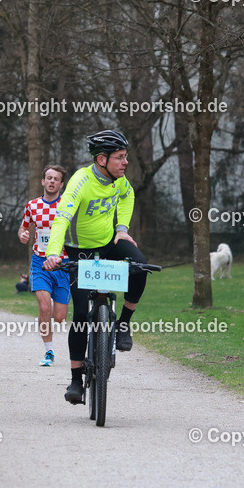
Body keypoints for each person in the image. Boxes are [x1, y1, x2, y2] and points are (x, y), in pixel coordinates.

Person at [43, 130, 149, 404]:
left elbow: (129, 196)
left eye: (126, 157)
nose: (125, 163)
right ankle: (76, 380)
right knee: (80, 315)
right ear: (102, 159)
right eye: (120, 158)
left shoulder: (119, 180)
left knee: (140, 266)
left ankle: (123, 324)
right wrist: (54, 253)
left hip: (108, 243)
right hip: (80, 252)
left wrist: (122, 229)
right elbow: (61, 219)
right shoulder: (80, 181)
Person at [19, 164, 71, 366]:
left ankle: (53, 329)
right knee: (44, 307)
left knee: (59, 317)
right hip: (40, 263)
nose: (51, 181)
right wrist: (23, 235)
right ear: (42, 181)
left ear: (61, 184)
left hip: (62, 264)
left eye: (56, 179)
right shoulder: (32, 206)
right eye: (48, 178)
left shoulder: (67, 206)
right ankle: (49, 352)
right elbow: (23, 227)